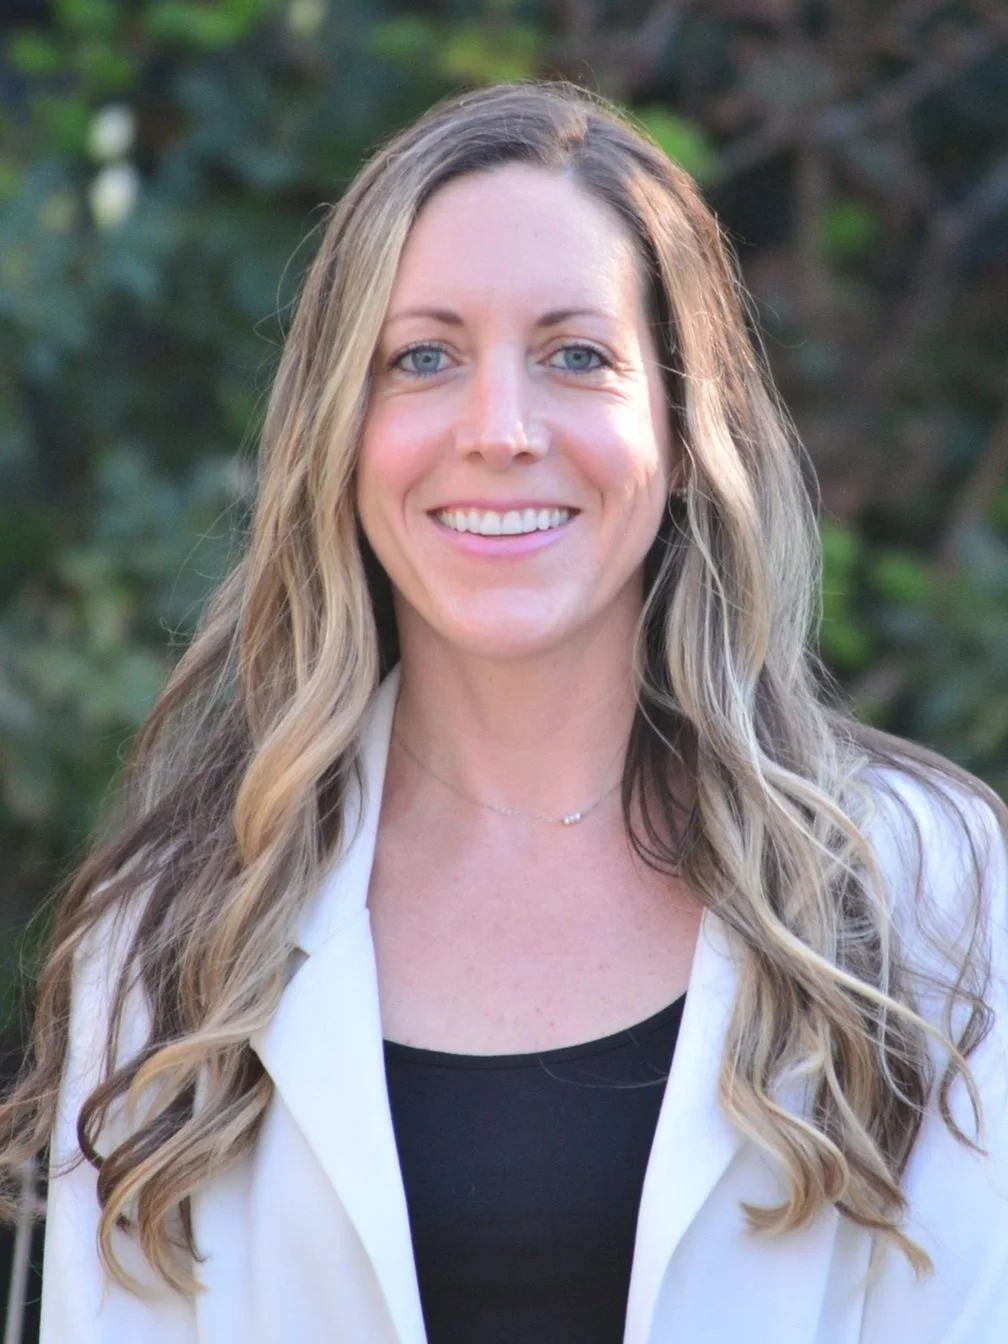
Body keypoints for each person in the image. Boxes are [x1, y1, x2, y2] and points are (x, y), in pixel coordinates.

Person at [1, 80, 1006, 1344]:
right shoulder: (169, 941)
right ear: (339, 432)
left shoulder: (927, 892)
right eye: (423, 358)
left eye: (576, 355)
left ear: (687, 428)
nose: (500, 430)